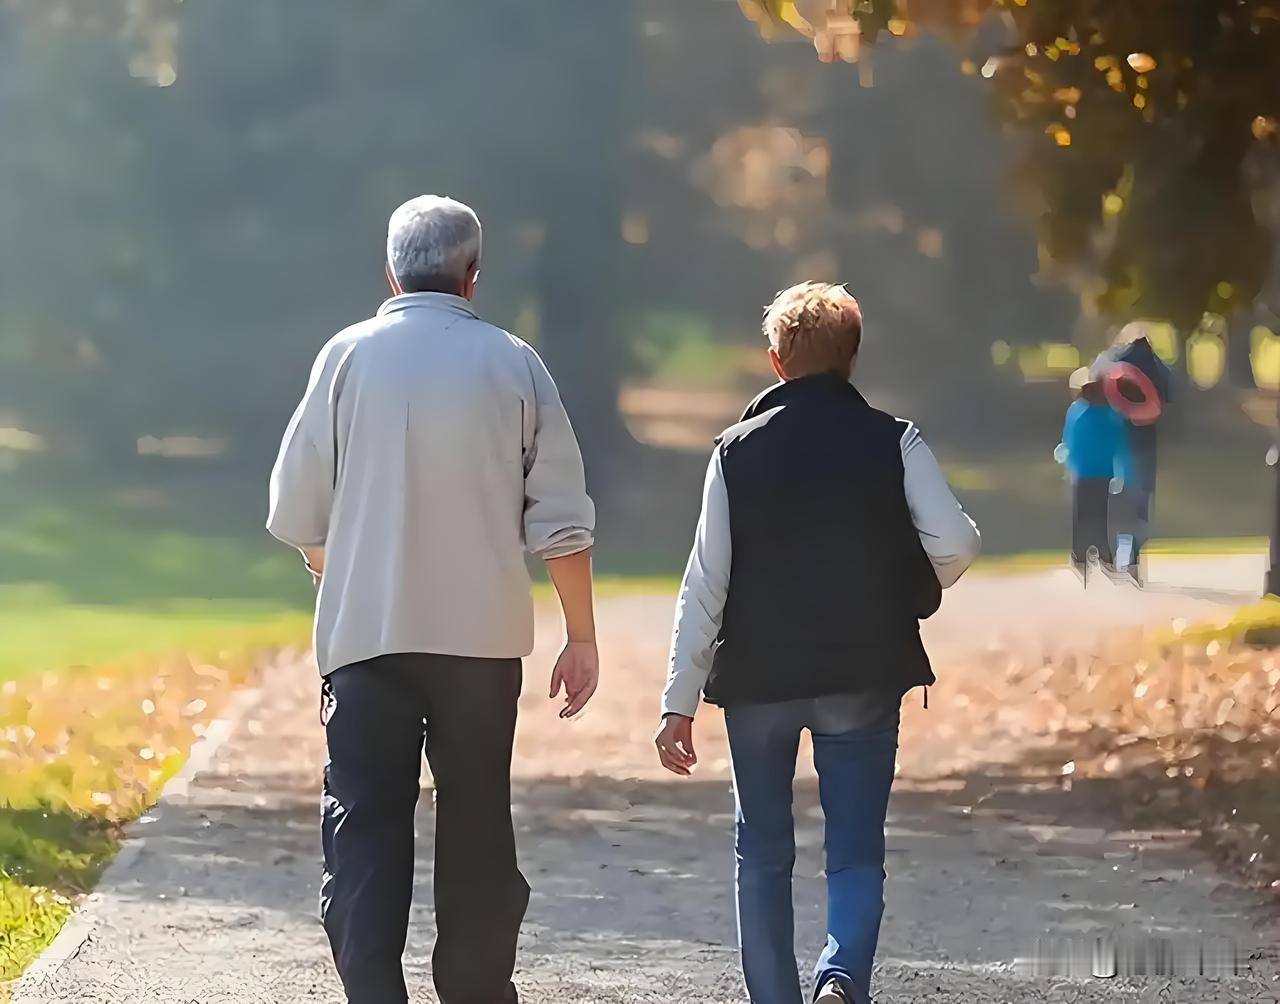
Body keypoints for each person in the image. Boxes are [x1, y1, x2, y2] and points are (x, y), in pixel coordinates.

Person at [267, 195, 599, 1004]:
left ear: (389, 270)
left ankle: (374, 989)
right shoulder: (515, 363)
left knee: (366, 827)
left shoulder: (344, 358)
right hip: (480, 644)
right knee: (479, 823)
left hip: (369, 639)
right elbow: (561, 520)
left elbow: (295, 510)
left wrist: (335, 569)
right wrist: (579, 635)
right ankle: (477, 991)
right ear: (472, 276)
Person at [653, 282, 981, 1004]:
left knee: (762, 855)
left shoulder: (734, 453)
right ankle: (840, 975)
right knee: (856, 851)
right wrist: (904, 578)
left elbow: (706, 582)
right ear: (851, 359)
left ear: (775, 362)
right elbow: (955, 545)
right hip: (862, 674)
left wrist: (678, 702)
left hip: (758, 681)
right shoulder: (893, 440)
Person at [1090, 324, 1171, 583]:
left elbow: (1095, 383)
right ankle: (1135, 557)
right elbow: (1169, 392)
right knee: (1141, 502)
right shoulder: (1155, 365)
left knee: (1119, 499)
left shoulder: (1115, 360)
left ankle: (1117, 554)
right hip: (1146, 439)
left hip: (1119, 438)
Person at [1058, 367, 1132, 581]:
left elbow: (1069, 442)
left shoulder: (1079, 412)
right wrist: (1121, 472)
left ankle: (1085, 554)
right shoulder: (1109, 414)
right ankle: (1097, 554)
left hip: (1087, 472)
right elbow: (1120, 446)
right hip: (1097, 472)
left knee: (1087, 515)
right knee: (1096, 515)